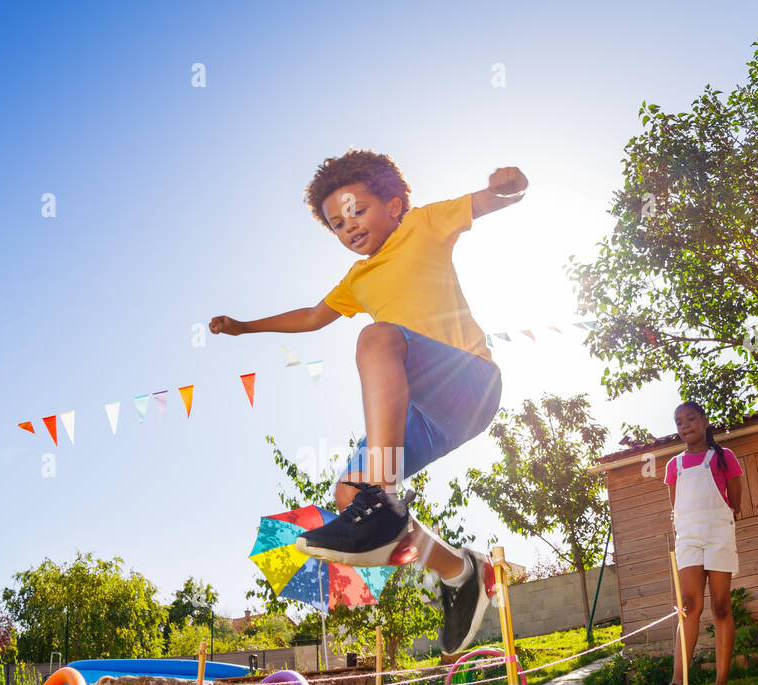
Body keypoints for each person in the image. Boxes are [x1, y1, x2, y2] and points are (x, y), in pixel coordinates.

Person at [209, 149, 526, 655]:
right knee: (348, 496)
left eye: (358, 210)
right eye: (337, 223)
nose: (349, 226)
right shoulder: (357, 279)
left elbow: (488, 201)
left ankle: (384, 496)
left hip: (469, 383)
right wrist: (246, 326)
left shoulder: (422, 225)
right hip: (425, 413)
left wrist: (508, 185)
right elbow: (312, 317)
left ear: (395, 205)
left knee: (376, 339)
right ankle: (461, 572)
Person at [647, 401, 742, 685]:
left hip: (718, 533)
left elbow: (734, 501)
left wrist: (720, 521)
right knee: (688, 605)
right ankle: (678, 684)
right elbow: (676, 508)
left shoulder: (724, 457)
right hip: (688, 537)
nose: (685, 425)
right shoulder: (673, 466)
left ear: (703, 420)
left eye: (690, 419)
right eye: (679, 422)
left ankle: (721, 684)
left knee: (722, 606)